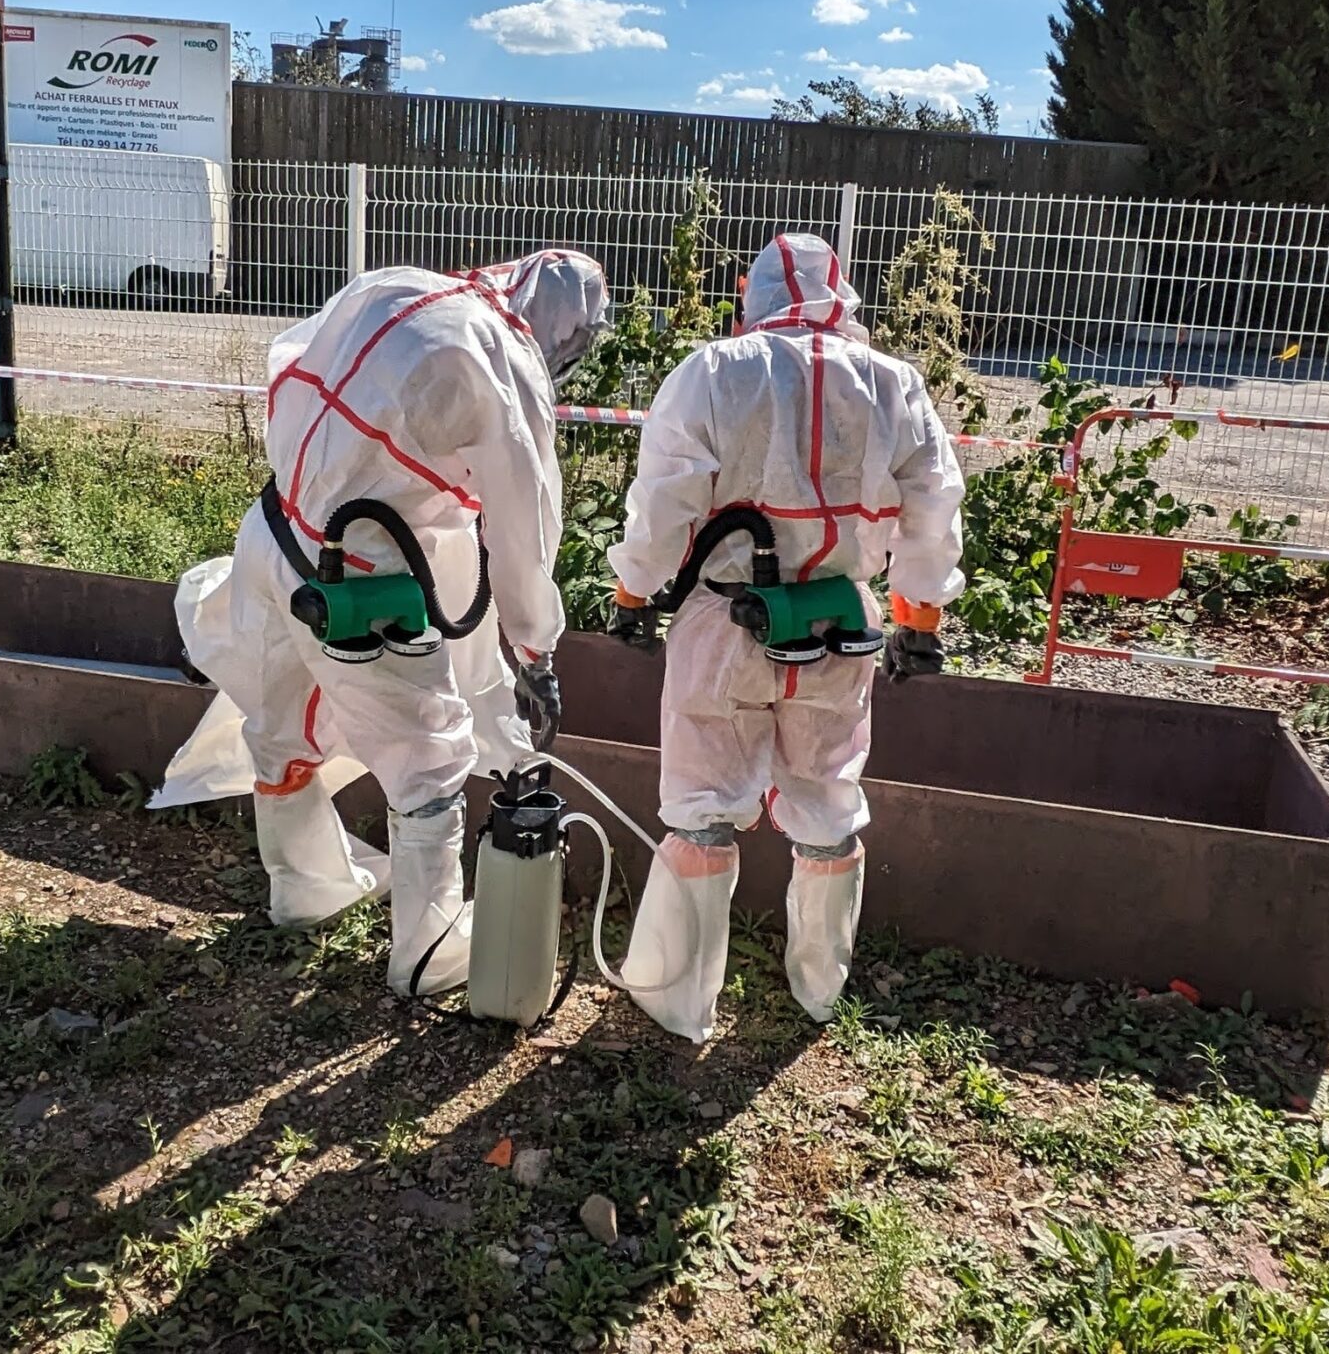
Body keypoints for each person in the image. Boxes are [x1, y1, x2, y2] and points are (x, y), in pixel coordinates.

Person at [156, 249, 611, 996]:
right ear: (562, 330)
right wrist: (536, 651)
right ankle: (429, 955)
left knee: (281, 732)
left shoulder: (398, 286)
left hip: (274, 536)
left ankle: (304, 889)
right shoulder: (506, 360)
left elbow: (293, 367)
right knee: (429, 759)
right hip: (360, 579)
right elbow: (526, 532)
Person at [603, 232, 963, 1041]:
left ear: (748, 292)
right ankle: (819, 987)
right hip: (843, 621)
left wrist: (632, 595)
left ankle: (677, 997)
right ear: (845, 300)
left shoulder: (714, 372)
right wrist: (920, 619)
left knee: (700, 809)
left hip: (725, 620)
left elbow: (662, 505)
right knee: (829, 803)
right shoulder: (895, 383)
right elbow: (934, 508)